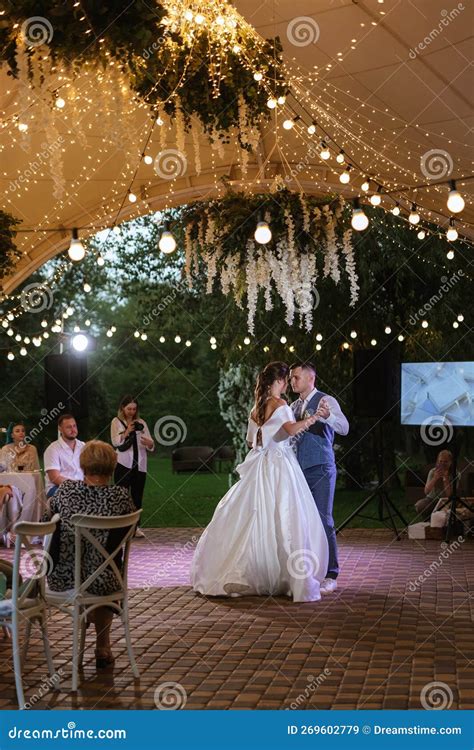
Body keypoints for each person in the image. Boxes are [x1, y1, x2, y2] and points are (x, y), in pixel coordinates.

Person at [191, 362, 329, 602]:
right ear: (280, 381)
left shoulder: (257, 407)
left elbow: (249, 441)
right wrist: (314, 417)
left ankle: (251, 569)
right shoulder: (282, 404)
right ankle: (285, 575)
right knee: (286, 516)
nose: (289, 384)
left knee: (254, 513)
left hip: (259, 464)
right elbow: (292, 429)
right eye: (288, 379)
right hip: (280, 464)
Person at [43, 440, 135, 668]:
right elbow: (129, 534)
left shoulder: (65, 492)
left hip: (64, 577)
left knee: (85, 570)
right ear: (112, 467)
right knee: (100, 575)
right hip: (106, 579)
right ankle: (102, 646)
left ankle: (88, 614)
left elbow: (46, 524)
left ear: (82, 466)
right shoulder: (122, 497)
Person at [289, 362, 349, 595]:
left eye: (296, 378)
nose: (292, 381)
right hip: (297, 470)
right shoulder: (293, 405)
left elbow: (344, 428)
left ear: (310, 379)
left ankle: (331, 573)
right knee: (302, 522)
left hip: (321, 468)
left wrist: (325, 418)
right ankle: (308, 569)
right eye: (292, 378)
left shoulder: (327, 401)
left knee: (324, 519)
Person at [110, 396, 154, 539]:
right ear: (122, 408)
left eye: (134, 409)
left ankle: (135, 527)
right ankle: (121, 528)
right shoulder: (116, 422)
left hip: (139, 464)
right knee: (121, 496)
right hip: (123, 464)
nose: (131, 412)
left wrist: (150, 443)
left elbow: (150, 443)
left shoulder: (141, 423)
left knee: (137, 496)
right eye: (129, 408)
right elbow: (115, 442)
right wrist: (127, 431)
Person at [43, 415, 85, 498]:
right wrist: (77, 487)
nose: (73, 430)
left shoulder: (83, 446)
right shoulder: (52, 449)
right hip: (57, 487)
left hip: (81, 487)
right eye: (69, 427)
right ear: (60, 429)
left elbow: (90, 470)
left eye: (74, 426)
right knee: (76, 497)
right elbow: (55, 478)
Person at [415, 450, 457, 520]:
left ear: (450, 462)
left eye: (446, 461)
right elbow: (426, 491)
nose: (443, 464)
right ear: (437, 462)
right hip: (431, 499)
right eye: (440, 461)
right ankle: (429, 522)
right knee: (420, 505)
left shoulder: (455, 474)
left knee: (450, 509)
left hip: (446, 501)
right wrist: (435, 478)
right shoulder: (432, 471)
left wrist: (446, 479)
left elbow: (449, 495)